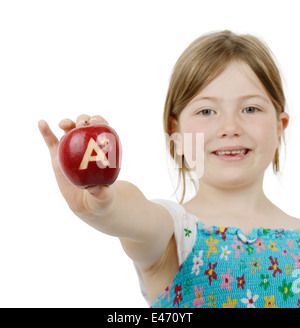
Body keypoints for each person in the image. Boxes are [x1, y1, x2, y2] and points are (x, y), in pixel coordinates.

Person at [38, 30, 300, 308]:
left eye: (250, 109)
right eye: (206, 111)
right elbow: (135, 213)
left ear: (279, 127)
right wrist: (105, 201)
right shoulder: (175, 231)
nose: (230, 128)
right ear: (176, 131)